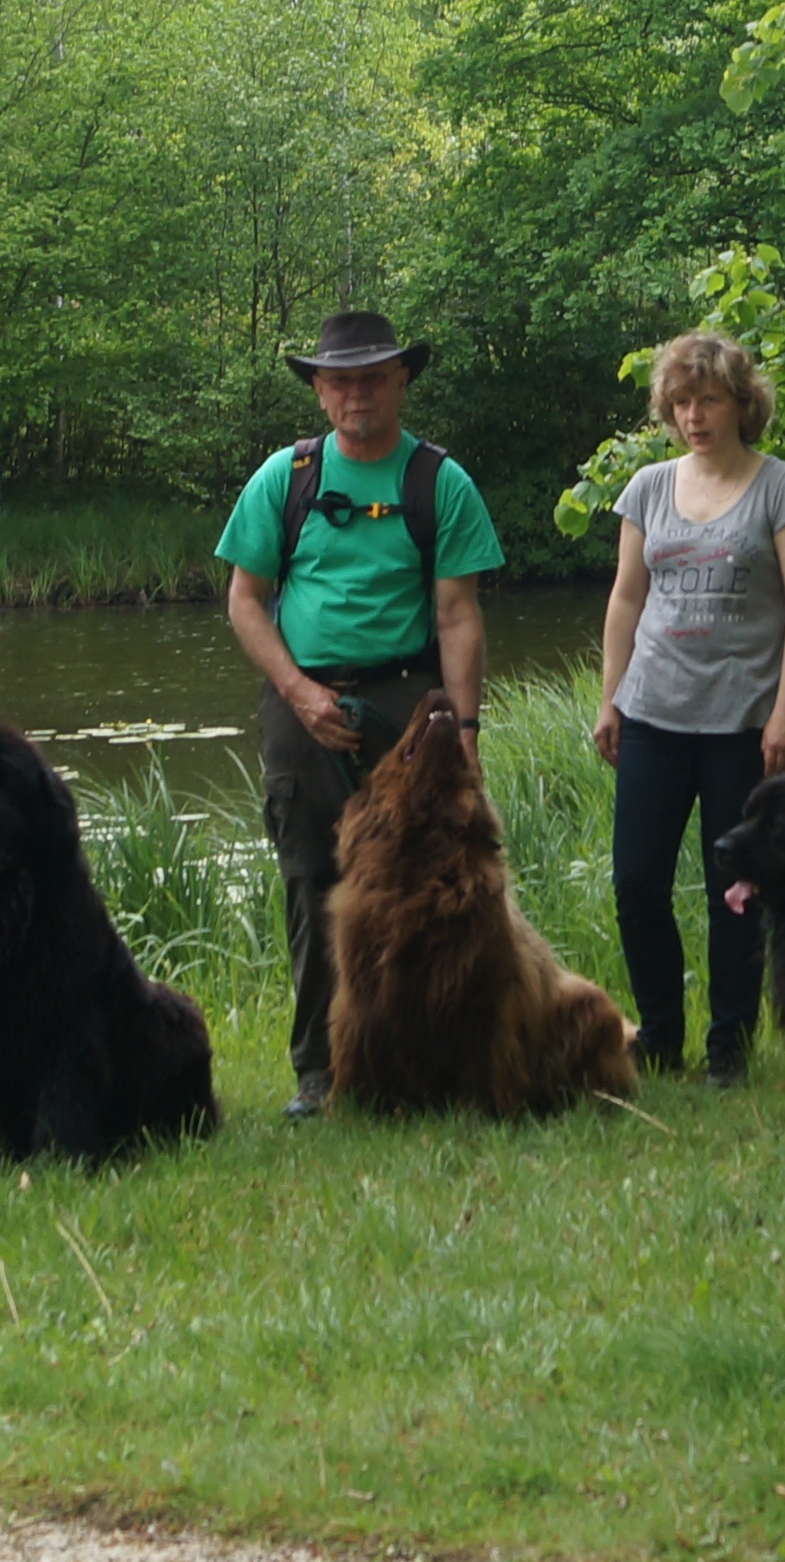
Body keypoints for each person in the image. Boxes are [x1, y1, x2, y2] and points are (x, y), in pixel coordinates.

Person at [219, 310, 505, 1119]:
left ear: (402, 381)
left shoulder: (439, 482)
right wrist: (299, 693)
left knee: (428, 878)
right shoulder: (286, 477)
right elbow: (244, 601)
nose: (358, 393)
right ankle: (319, 1068)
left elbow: (457, 615)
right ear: (317, 391)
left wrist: (467, 731)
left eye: (374, 377)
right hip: (300, 695)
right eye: (340, 379)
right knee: (312, 876)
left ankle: (429, 1054)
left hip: (408, 702)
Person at [591, 333, 785, 1086]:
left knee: (736, 888)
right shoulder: (649, 487)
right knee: (636, 882)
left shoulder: (781, 488)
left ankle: (730, 1042)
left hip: (742, 722)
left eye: (710, 399)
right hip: (653, 711)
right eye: (682, 401)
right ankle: (659, 1033)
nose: (695, 415)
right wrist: (610, 699)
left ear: (741, 403)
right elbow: (627, 597)